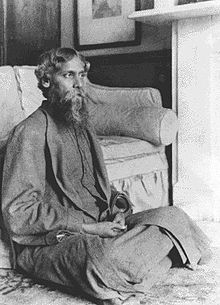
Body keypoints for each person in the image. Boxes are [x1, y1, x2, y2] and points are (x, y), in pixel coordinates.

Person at [1, 47, 211, 305]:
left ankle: (135, 271)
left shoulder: (80, 124)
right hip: (55, 241)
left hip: (103, 226)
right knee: (99, 259)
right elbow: (18, 213)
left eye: (81, 75)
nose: (79, 84)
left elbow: (99, 187)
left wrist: (119, 209)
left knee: (173, 215)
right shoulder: (29, 132)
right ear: (46, 81)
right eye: (68, 75)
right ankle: (151, 261)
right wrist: (87, 228)